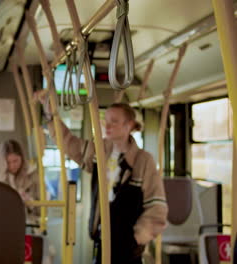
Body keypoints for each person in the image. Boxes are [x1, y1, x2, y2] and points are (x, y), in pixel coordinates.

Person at [35, 91, 168, 264]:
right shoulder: (100, 150)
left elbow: (157, 207)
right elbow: (68, 143)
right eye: (106, 120)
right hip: (101, 237)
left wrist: (137, 237)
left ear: (128, 126)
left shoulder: (143, 161)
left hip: (128, 245)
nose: (107, 126)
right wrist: (51, 114)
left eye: (114, 121)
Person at [0, 139, 39, 221]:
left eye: (15, 161)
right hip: (2, 220)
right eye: (8, 162)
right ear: (2, 162)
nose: (12, 166)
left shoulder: (32, 174)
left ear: (22, 158)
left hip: (27, 221)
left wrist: (29, 202)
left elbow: (40, 208)